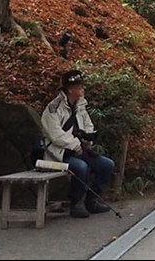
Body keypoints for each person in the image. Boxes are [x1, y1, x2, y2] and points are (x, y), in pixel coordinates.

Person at [41, 70, 115, 218]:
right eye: (79, 86)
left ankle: (91, 200)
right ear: (70, 89)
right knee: (81, 167)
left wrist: (88, 138)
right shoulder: (53, 109)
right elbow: (56, 135)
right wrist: (75, 145)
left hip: (81, 149)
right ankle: (76, 203)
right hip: (59, 153)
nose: (83, 88)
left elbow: (88, 125)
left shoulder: (80, 106)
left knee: (107, 165)